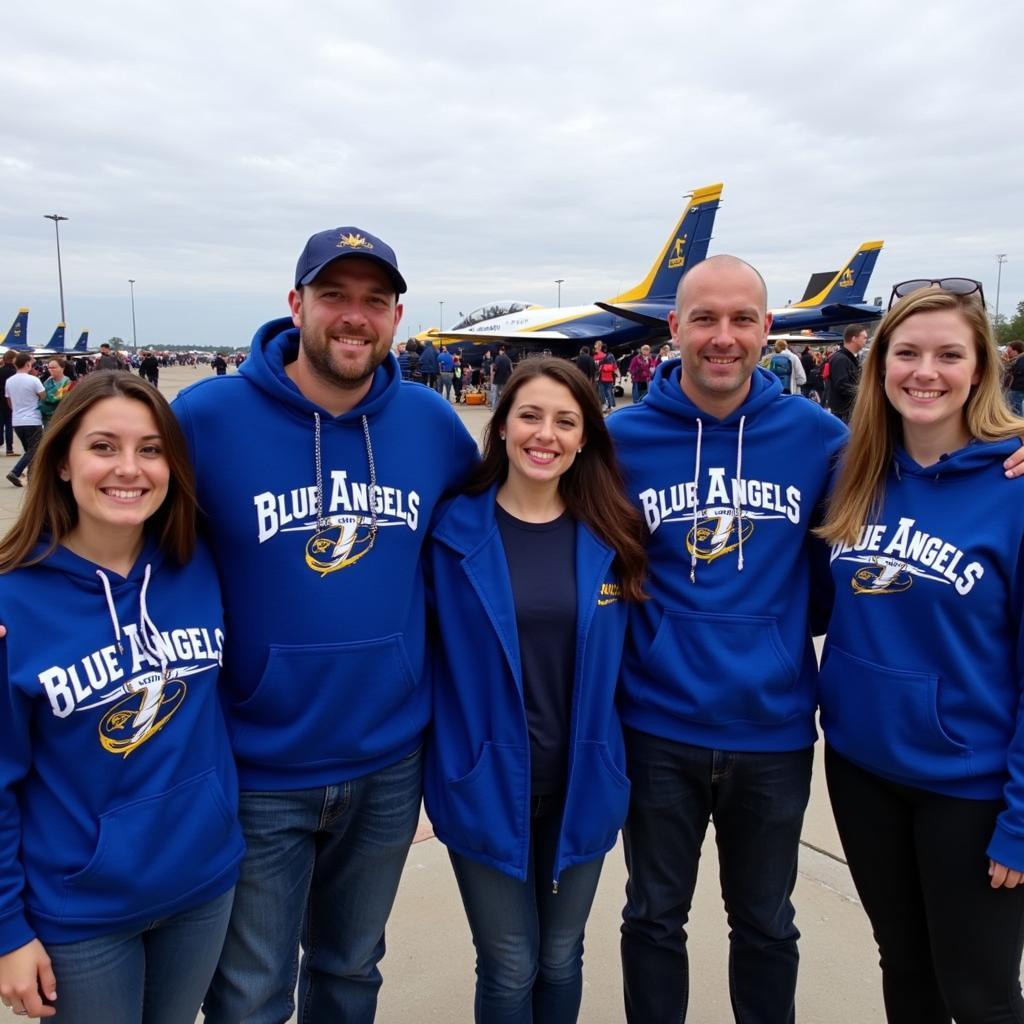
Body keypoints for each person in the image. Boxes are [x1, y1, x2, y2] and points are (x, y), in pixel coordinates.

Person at [172, 226, 478, 1023]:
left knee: (350, 971)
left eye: (374, 301)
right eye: (334, 295)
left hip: (385, 764)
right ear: (295, 303)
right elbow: (112, 530)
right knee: (248, 993)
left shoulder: (431, 425)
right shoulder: (207, 418)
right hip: (256, 767)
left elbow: (498, 539)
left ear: (396, 317)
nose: (354, 317)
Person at [608, 255, 849, 1024]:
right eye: (704, 319)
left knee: (767, 924)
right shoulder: (621, 441)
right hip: (655, 727)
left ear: (766, 329)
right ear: (673, 327)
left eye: (742, 319)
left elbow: (841, 566)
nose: (723, 336)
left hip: (771, 733)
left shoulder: (819, 439)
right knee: (652, 917)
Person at [0, 371, 244, 1022]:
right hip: (81, 913)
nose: (129, 469)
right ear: (59, 463)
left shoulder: (198, 564)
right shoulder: (13, 604)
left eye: (151, 449)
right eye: (103, 446)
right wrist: (7, 931)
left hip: (203, 884)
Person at [816, 281, 1024, 1021]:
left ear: (979, 369)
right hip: (862, 769)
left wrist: (1021, 820)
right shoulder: (853, 472)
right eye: (906, 352)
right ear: (879, 366)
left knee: (981, 994)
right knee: (904, 968)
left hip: (969, 789)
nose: (924, 371)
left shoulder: (1015, 486)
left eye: (948, 354)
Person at [424, 357, 646, 1022]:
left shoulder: (612, 536)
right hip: (485, 782)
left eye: (565, 420)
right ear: (500, 426)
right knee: (511, 962)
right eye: (529, 415)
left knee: (560, 956)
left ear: (584, 439)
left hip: (582, 781)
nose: (544, 434)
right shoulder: (450, 534)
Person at [6, 352, 45, 487]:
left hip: (17, 421)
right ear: (28, 364)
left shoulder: (9, 381)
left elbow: (10, 403)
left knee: (29, 451)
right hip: (33, 419)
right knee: (35, 449)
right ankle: (16, 472)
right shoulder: (34, 380)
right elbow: (44, 397)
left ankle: (32, 476)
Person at [827, 324, 867, 423]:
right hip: (844, 412)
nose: (866, 340)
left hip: (848, 411)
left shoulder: (850, 358)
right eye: (864, 338)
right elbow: (842, 385)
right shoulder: (841, 359)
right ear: (854, 339)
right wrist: (864, 393)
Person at [39, 359, 73, 427]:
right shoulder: (48, 381)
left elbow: (55, 398)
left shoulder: (67, 382)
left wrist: (43, 396)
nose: (51, 370)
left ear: (62, 368)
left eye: (54, 367)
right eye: (49, 368)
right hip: (46, 418)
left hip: (60, 417)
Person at [1004, 339, 1024, 414]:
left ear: (1015, 351)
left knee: (1016, 408)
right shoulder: (1017, 359)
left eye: (1009, 351)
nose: (1008, 353)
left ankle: (1019, 424)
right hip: (1017, 387)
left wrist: (1012, 369)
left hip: (1018, 387)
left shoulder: (1021, 359)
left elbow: (1019, 370)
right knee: (1015, 406)